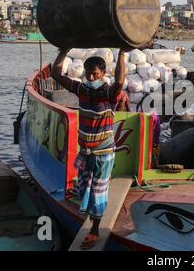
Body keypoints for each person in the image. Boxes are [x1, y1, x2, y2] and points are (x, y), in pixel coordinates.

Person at [51, 48, 126, 250]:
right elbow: (56, 74)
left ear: (103, 74)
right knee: (84, 188)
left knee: (98, 192)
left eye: (96, 74)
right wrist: (64, 51)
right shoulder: (81, 89)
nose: (91, 77)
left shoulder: (109, 93)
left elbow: (120, 82)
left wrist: (121, 55)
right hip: (86, 153)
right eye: (89, 73)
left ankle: (94, 229)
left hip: (103, 153)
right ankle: (92, 218)